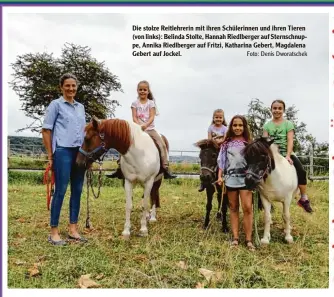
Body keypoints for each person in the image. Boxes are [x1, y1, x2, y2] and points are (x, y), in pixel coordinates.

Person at [42, 73, 87, 246]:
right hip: (62, 151)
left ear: (77, 87)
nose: (71, 89)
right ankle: (54, 232)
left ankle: (73, 229)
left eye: (73, 86)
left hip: (79, 152)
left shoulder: (81, 107)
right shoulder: (56, 105)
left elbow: (84, 132)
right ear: (61, 87)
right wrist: (51, 155)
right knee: (60, 190)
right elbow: (46, 130)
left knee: (77, 190)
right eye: (67, 85)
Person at [108, 80, 176, 179]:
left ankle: (165, 167)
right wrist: (139, 125)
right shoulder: (134, 103)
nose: (142, 91)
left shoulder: (151, 103)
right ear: (137, 91)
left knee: (162, 144)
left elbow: (152, 117)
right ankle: (119, 167)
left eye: (145, 90)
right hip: (137, 129)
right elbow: (134, 117)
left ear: (148, 91)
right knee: (124, 143)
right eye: (140, 90)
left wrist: (145, 125)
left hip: (150, 129)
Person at [263, 99, 313, 213]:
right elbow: (265, 142)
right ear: (271, 110)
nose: (277, 110)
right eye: (274, 108)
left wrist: (288, 155)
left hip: (286, 152)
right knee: (258, 169)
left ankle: (303, 197)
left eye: (279, 108)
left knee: (301, 170)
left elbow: (290, 140)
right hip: (272, 154)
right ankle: (261, 194)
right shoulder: (267, 126)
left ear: (283, 110)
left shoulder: (288, 124)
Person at [217, 115, 255, 251]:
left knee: (247, 208)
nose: (237, 128)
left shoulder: (249, 143)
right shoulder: (226, 144)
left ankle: (249, 239)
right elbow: (222, 161)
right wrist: (220, 176)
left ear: (244, 127)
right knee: (233, 208)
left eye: (240, 125)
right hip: (231, 179)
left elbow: (254, 162)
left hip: (245, 179)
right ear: (231, 127)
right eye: (235, 125)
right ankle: (235, 238)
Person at [198, 108, 228, 192]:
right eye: (216, 117)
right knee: (204, 157)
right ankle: (203, 181)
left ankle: (225, 176)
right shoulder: (210, 128)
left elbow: (225, 139)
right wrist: (213, 143)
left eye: (220, 117)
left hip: (222, 148)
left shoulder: (225, 128)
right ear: (213, 118)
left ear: (223, 118)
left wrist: (219, 142)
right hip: (213, 147)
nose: (218, 119)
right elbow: (209, 139)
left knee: (227, 158)